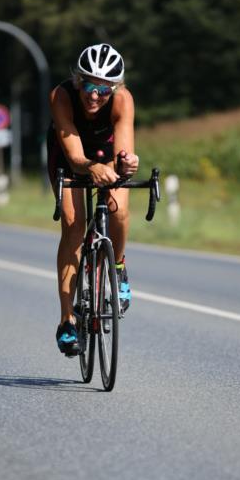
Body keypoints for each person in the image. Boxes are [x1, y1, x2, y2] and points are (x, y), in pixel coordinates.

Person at [47, 43, 139, 355]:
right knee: (74, 225)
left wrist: (126, 165)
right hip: (68, 155)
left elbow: (123, 152)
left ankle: (118, 266)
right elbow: (75, 158)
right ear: (78, 81)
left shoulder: (123, 100)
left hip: (105, 152)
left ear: (115, 88)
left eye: (104, 89)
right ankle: (67, 321)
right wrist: (91, 168)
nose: (95, 96)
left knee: (119, 211)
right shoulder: (61, 96)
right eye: (88, 86)